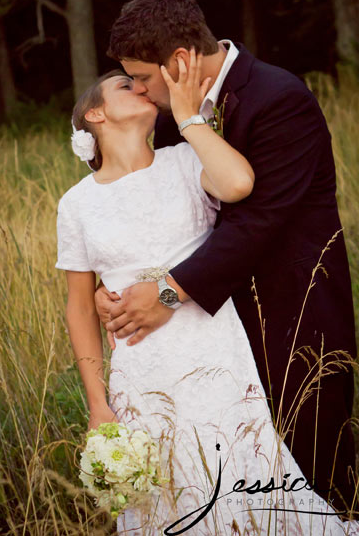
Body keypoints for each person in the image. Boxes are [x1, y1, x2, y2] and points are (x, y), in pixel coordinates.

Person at [57, 53, 358, 533]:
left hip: (216, 351)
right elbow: (78, 308)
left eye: (139, 80)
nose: (140, 87)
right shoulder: (76, 204)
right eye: (125, 84)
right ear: (95, 114)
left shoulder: (184, 158)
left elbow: (239, 183)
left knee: (241, 471)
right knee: (167, 493)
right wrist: (98, 405)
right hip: (139, 365)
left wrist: (187, 115)